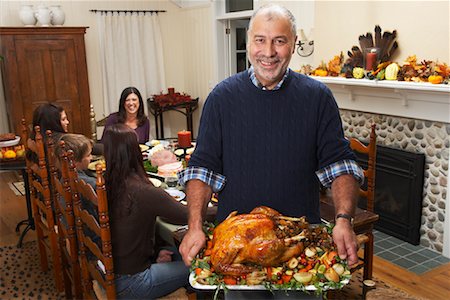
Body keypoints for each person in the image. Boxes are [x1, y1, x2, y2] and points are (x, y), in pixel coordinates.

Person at [179, 3, 364, 270]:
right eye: (260, 40)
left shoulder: (317, 97)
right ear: (249, 40)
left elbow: (340, 166)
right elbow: (202, 169)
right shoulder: (221, 97)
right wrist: (195, 226)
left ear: (294, 44)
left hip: (300, 245)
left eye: (279, 41)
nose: (268, 52)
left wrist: (344, 219)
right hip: (237, 245)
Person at [103, 124, 204, 299]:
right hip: (133, 283)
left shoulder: (109, 181)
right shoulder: (142, 190)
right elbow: (187, 214)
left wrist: (154, 253)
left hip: (112, 273)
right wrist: (227, 206)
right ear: (135, 152)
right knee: (202, 266)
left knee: (180, 251)